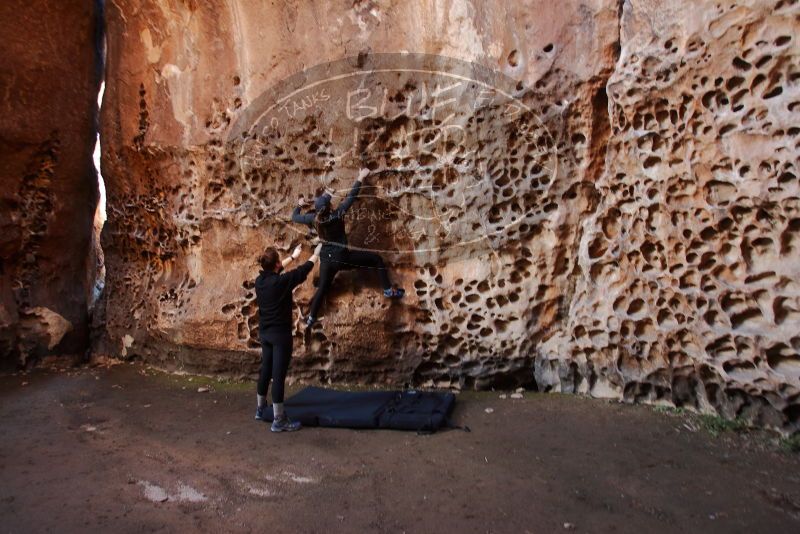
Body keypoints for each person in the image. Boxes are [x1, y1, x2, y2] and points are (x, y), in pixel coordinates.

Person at [292, 168, 404, 330]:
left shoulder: (313, 218)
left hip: (327, 261)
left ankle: (310, 319)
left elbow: (294, 217)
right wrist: (360, 177)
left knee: (323, 288)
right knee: (376, 259)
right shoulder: (337, 214)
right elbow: (352, 196)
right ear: (330, 207)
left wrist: (299, 206)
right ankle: (387, 289)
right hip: (343, 258)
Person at [254, 242, 322, 432]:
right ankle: (279, 420)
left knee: (265, 370)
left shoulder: (260, 281)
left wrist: (293, 256)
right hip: (280, 335)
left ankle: (260, 409)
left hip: (265, 333)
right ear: (275, 265)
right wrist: (315, 255)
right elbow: (302, 272)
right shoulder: (280, 282)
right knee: (278, 376)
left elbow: (276, 270)